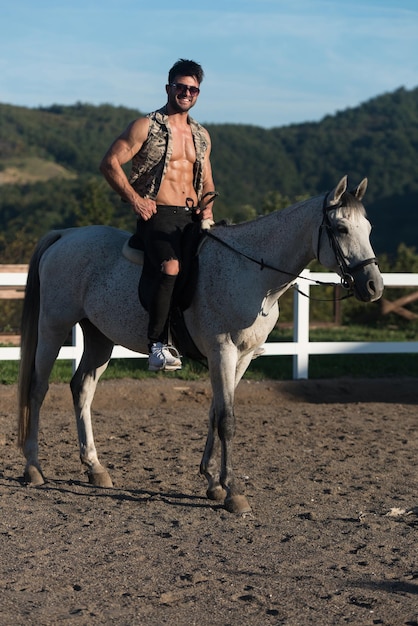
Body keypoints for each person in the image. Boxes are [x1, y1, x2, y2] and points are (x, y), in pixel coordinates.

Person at [100, 59, 217, 372]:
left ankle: (218, 337)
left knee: (220, 263)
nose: (186, 93)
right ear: (169, 88)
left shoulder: (202, 135)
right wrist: (136, 200)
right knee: (171, 267)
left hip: (191, 218)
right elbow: (110, 163)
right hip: (158, 215)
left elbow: (207, 181)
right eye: (180, 87)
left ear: (198, 93)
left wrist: (207, 205)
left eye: (192, 89)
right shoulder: (146, 126)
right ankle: (156, 345)